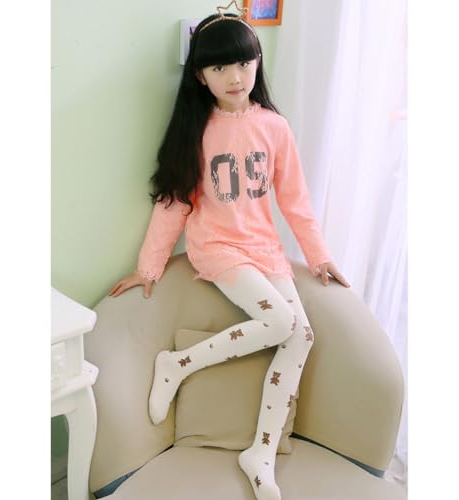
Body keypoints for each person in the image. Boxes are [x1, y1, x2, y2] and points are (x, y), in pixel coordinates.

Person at [109, 6, 350, 500]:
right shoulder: (197, 129)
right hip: (217, 248)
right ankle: (178, 364)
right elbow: (174, 202)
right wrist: (148, 268)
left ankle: (260, 453)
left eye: (243, 63)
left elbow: (295, 201)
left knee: (301, 335)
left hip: (264, 249)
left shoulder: (274, 127)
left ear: (257, 62)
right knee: (281, 323)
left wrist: (319, 256)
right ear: (201, 76)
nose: (235, 77)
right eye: (219, 67)